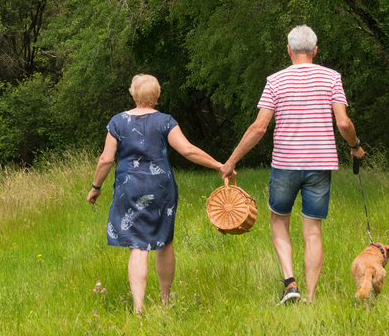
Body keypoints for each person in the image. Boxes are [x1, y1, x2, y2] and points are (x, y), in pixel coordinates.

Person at [220, 25, 365, 305]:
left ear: (288, 50)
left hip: (285, 164)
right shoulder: (332, 78)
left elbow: (259, 128)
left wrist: (231, 161)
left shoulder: (275, 81)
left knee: (279, 221)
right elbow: (344, 123)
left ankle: (290, 284)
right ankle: (310, 299)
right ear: (315, 50)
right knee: (313, 231)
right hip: (320, 164)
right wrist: (354, 146)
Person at [87, 74, 229, 314]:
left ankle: (139, 308)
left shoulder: (117, 122)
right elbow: (187, 150)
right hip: (161, 189)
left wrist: (96, 187)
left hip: (129, 189)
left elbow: (106, 159)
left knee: (137, 245)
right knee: (164, 242)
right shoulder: (165, 121)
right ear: (156, 96)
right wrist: (219, 165)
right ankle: (165, 300)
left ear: (133, 94)